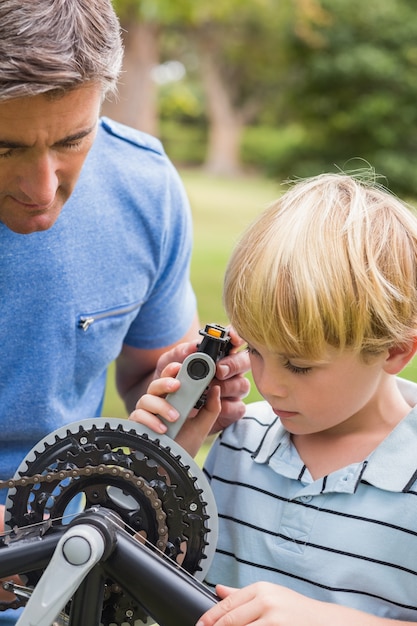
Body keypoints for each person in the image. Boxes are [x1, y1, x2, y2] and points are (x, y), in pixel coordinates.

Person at [0, 0, 249, 620]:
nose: (41, 188)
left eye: (71, 140)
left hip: (72, 566)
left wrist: (180, 391)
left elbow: (145, 379)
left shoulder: (144, 188)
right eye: (3, 147)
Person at [133, 172, 417, 625]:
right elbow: (151, 583)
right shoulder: (240, 442)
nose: (272, 385)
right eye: (257, 352)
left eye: (300, 365)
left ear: (395, 351)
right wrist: (165, 461)